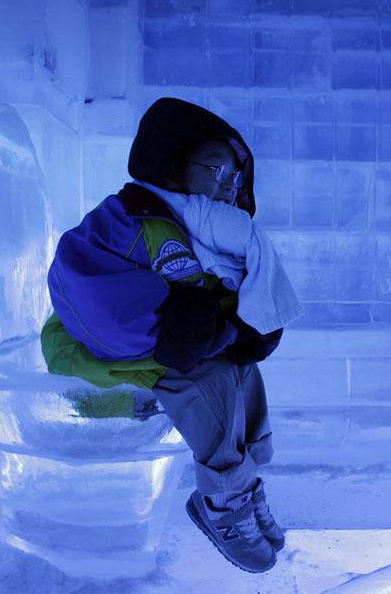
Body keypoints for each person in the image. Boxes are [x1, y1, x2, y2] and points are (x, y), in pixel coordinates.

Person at [40, 97, 285, 573]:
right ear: (174, 165)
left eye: (235, 178)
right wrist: (164, 329)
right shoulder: (131, 219)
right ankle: (222, 504)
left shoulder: (196, 225)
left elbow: (210, 289)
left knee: (240, 370)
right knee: (204, 384)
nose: (229, 188)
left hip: (158, 349)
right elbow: (80, 278)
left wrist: (241, 325)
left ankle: (245, 479)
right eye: (217, 170)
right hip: (98, 356)